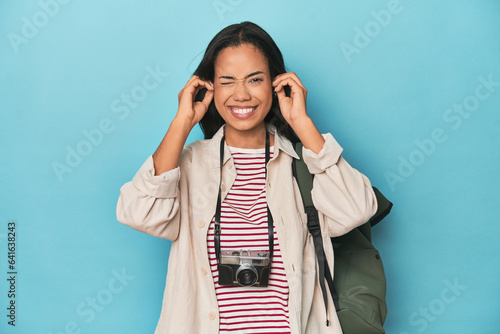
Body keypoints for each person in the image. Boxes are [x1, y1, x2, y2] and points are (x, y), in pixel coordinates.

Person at [116, 21, 377, 334]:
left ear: (275, 85)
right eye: (227, 81)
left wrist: (302, 122)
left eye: (255, 80)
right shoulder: (189, 165)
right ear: (209, 87)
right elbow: (140, 213)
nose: (241, 95)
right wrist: (181, 122)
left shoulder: (303, 163)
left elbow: (355, 210)